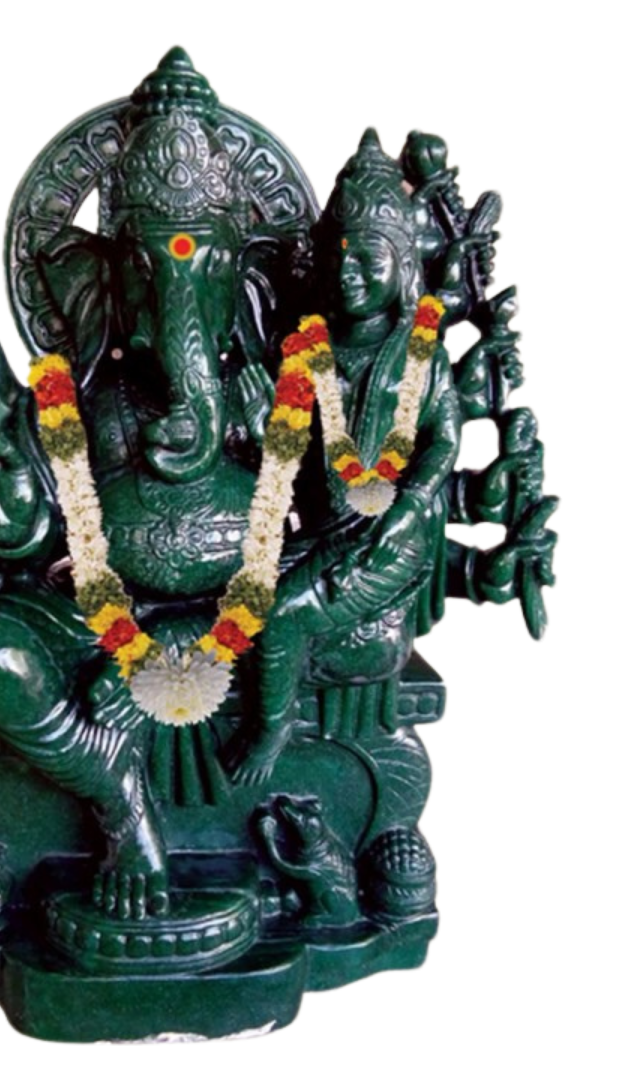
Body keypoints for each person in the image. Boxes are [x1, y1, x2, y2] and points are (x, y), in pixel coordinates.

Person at [226, 127, 464, 785]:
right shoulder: (310, 350)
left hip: (389, 536)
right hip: (325, 526)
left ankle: (270, 731)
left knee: (279, 616)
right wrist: (256, 421)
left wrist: (411, 503)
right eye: (339, 258)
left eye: (367, 259)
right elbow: (287, 450)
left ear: (401, 265)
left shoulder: (418, 353)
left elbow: (445, 438)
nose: (348, 273)